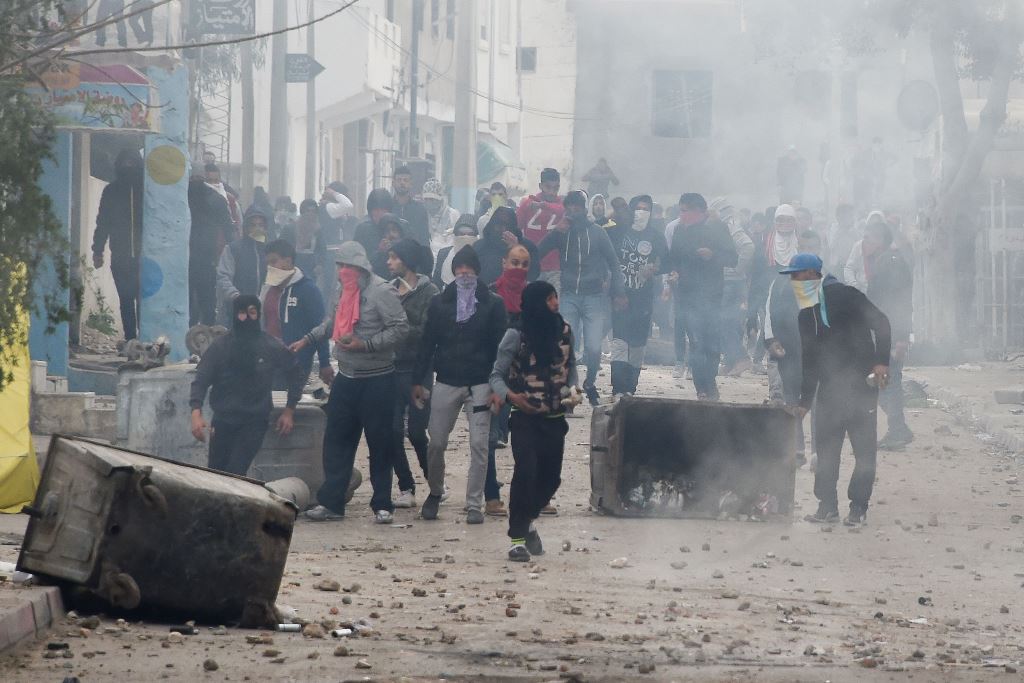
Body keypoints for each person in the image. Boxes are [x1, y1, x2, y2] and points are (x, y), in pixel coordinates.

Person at [296, 242, 410, 524]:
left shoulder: (382, 291)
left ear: (361, 268)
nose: (343, 272)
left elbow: (401, 328)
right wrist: (308, 339)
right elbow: (331, 322)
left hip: (378, 378)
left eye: (348, 267)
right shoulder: (342, 290)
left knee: (380, 443)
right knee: (336, 441)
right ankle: (332, 503)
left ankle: (382, 503)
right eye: (340, 266)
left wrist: (367, 344)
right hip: (346, 377)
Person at [785, 252, 891, 527]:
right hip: (830, 390)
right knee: (826, 450)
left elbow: (882, 323)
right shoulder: (806, 315)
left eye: (796, 276)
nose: (793, 282)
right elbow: (809, 360)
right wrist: (805, 401)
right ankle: (827, 505)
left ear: (811, 274)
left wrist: (881, 362)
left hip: (861, 387)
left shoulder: (846, 295)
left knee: (864, 452)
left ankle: (858, 507)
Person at [414, 246, 507, 524]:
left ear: (477, 272)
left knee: (480, 445)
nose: (464, 273)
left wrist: (497, 388)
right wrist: (419, 381)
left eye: (469, 269)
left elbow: (501, 349)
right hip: (446, 381)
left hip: (480, 384)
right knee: (437, 443)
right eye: (460, 269)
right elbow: (427, 343)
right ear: (453, 272)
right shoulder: (440, 303)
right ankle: (435, 492)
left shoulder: (493, 304)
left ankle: (474, 503)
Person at [490, 280, 579, 561]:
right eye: (550, 299)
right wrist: (513, 398)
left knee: (551, 479)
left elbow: (571, 367)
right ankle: (517, 538)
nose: (555, 303)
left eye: (556, 297)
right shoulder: (515, 335)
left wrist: (573, 389)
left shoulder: (564, 332)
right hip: (524, 419)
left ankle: (527, 521)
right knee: (525, 473)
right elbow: (496, 376)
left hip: (555, 417)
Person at [189, 295, 304, 476]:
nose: (247, 318)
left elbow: (295, 372)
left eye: (252, 312)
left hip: (254, 421)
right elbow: (201, 379)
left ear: (258, 314)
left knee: (235, 472)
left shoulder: (270, 345)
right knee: (215, 473)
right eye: (242, 313)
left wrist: (289, 410)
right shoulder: (221, 347)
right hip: (223, 420)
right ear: (235, 315)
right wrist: (196, 412)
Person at [537, 191, 627, 406]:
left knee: (594, 347)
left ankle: (590, 381)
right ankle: (569, 392)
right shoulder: (561, 232)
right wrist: (554, 233)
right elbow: (538, 252)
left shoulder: (598, 232)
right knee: (567, 346)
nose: (573, 211)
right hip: (568, 295)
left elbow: (614, 263)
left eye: (578, 207)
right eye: (570, 207)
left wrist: (619, 292)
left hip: (594, 297)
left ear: (584, 209)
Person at [664, 193, 738, 400]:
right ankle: (702, 388)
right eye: (680, 210)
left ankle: (710, 380)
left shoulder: (717, 228)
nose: (681, 215)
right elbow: (673, 260)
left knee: (711, 343)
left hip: (712, 295)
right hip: (686, 296)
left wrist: (713, 255)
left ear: (699, 211)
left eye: (685, 210)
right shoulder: (679, 231)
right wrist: (673, 275)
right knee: (696, 342)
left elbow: (733, 258)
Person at [386, 239, 439, 509]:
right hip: (392, 368)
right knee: (392, 431)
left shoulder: (429, 292)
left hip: (419, 370)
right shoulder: (389, 290)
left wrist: (400, 321)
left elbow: (428, 332)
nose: (389, 263)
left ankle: (435, 482)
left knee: (417, 432)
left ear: (406, 261)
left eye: (394, 258)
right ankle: (406, 486)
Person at [763, 230, 823, 466]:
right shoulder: (780, 281)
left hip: (817, 354)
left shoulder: (827, 281)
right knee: (792, 399)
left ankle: (819, 451)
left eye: (813, 247)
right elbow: (768, 313)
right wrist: (770, 341)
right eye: (805, 247)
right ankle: (796, 449)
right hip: (789, 350)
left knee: (818, 401)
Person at [484, 244, 533, 517]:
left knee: (530, 440)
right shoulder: (490, 295)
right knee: (490, 438)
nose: (518, 269)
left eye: (524, 264)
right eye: (514, 262)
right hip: (495, 376)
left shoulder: (534, 297)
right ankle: (491, 495)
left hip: (526, 379)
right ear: (504, 263)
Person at [606, 195, 668, 397]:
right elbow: (605, 249)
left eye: (646, 209)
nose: (642, 212)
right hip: (621, 294)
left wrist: (655, 268)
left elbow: (666, 262)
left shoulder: (656, 236)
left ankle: (630, 388)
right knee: (620, 342)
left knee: (638, 344)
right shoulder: (618, 231)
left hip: (643, 296)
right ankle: (618, 388)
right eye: (638, 208)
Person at [861, 222, 914, 451]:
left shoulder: (889, 262)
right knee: (884, 381)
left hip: (890, 333)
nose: (865, 242)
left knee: (886, 382)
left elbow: (898, 303)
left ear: (881, 240)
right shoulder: (887, 260)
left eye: (869, 238)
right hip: (886, 331)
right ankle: (898, 427)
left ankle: (898, 429)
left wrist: (901, 337)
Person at [92, 149, 143, 341]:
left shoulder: (147, 190)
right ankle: (131, 339)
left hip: (143, 257)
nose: (128, 167)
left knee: (142, 300)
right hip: (120, 256)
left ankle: (143, 339)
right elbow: (102, 222)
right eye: (125, 163)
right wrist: (97, 250)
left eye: (132, 163)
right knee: (126, 299)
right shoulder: (111, 191)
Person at [261, 239, 330, 381]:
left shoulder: (308, 289)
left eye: (274, 262)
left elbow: (320, 328)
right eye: (267, 263)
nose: (269, 267)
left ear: (288, 261)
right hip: (268, 360)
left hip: (296, 362)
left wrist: (325, 363)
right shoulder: (267, 288)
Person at [711, 198, 755, 377]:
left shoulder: (730, 226)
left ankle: (741, 358)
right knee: (729, 322)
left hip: (731, 282)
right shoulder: (728, 225)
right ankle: (731, 362)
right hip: (729, 282)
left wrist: (737, 269)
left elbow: (747, 246)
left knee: (724, 322)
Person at [188, 174, 236, 326]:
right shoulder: (216, 198)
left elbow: (228, 228)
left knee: (206, 303)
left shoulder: (215, 199)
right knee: (203, 302)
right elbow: (229, 228)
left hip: (204, 258)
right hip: (197, 259)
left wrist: (233, 252)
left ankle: (203, 337)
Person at [517, 168, 564, 290]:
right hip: (532, 266)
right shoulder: (528, 204)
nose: (552, 192)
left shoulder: (562, 204)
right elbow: (516, 229)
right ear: (540, 186)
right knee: (532, 306)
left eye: (556, 188)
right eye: (548, 187)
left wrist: (543, 205)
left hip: (555, 268)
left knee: (554, 307)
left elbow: (562, 210)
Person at [217, 211, 269, 318]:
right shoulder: (233, 249)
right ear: (246, 227)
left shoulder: (270, 250)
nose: (257, 229)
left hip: (263, 309)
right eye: (253, 225)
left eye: (260, 225)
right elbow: (223, 277)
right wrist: (236, 296)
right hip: (236, 307)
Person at [476, 206, 540, 285]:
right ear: (492, 226)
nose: (503, 231)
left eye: (508, 227)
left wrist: (516, 249)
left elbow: (533, 274)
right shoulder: (479, 246)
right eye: (499, 227)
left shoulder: (528, 247)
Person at [844, 210, 887, 291]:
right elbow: (849, 268)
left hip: (883, 293)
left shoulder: (888, 246)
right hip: (863, 292)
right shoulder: (859, 245)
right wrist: (854, 285)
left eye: (878, 223)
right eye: (872, 224)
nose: (875, 226)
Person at [433, 214, 479, 288]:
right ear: (455, 235)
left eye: (470, 234)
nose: (465, 237)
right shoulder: (444, 254)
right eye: (461, 234)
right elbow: (436, 283)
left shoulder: (481, 255)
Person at [392, 166, 431, 247]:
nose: (402, 183)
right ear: (393, 183)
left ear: (411, 184)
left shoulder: (420, 210)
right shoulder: (387, 207)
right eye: (399, 180)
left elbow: (424, 239)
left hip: (413, 256)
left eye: (405, 180)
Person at [421, 177, 460, 253]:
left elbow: (457, 238)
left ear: (439, 199)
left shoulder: (453, 214)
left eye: (432, 199)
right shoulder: (422, 214)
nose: (428, 202)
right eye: (426, 199)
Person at [826, 204, 859, 281]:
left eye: (851, 215)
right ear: (838, 216)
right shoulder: (832, 228)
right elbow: (831, 246)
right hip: (837, 265)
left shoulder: (855, 228)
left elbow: (860, 245)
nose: (850, 217)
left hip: (853, 265)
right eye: (848, 215)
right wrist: (841, 231)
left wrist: (853, 232)